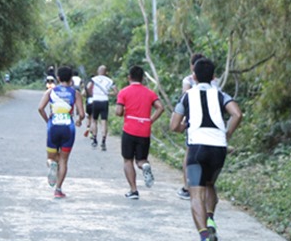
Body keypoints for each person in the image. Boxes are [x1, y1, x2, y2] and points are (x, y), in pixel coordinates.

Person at [170, 58, 242, 241]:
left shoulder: (187, 96)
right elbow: (237, 114)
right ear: (213, 77)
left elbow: (174, 125)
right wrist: (226, 134)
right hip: (218, 148)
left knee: (196, 193)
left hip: (197, 147)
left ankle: (203, 240)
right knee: (210, 184)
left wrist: (186, 126)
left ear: (193, 76)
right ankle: (210, 218)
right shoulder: (221, 94)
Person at [115, 65, 165, 199]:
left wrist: (125, 111)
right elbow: (160, 107)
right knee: (141, 160)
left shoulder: (124, 92)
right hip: (144, 130)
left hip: (129, 129)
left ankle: (133, 190)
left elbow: (118, 112)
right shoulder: (149, 93)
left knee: (127, 160)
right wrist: (150, 120)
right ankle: (145, 166)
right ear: (142, 78)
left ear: (129, 78)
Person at [176, 53, 221, 200]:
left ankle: (187, 186)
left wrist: (182, 123)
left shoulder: (188, 80)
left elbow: (185, 99)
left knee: (190, 153)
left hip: (194, 122)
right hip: (215, 126)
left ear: (193, 68)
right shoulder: (216, 84)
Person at [37, 66, 85, 198]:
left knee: (51, 157)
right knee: (64, 160)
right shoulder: (75, 93)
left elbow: (40, 108)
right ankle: (58, 189)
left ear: (58, 78)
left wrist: (48, 120)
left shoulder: (50, 92)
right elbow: (82, 114)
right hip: (68, 128)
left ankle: (51, 164)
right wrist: (79, 121)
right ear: (71, 79)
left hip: (53, 126)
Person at [87, 65, 118, 151]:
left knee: (94, 120)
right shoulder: (110, 80)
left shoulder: (94, 79)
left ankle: (94, 139)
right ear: (106, 72)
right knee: (104, 121)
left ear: (98, 71)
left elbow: (88, 87)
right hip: (105, 101)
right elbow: (116, 92)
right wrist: (109, 94)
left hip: (96, 100)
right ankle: (103, 141)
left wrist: (92, 93)